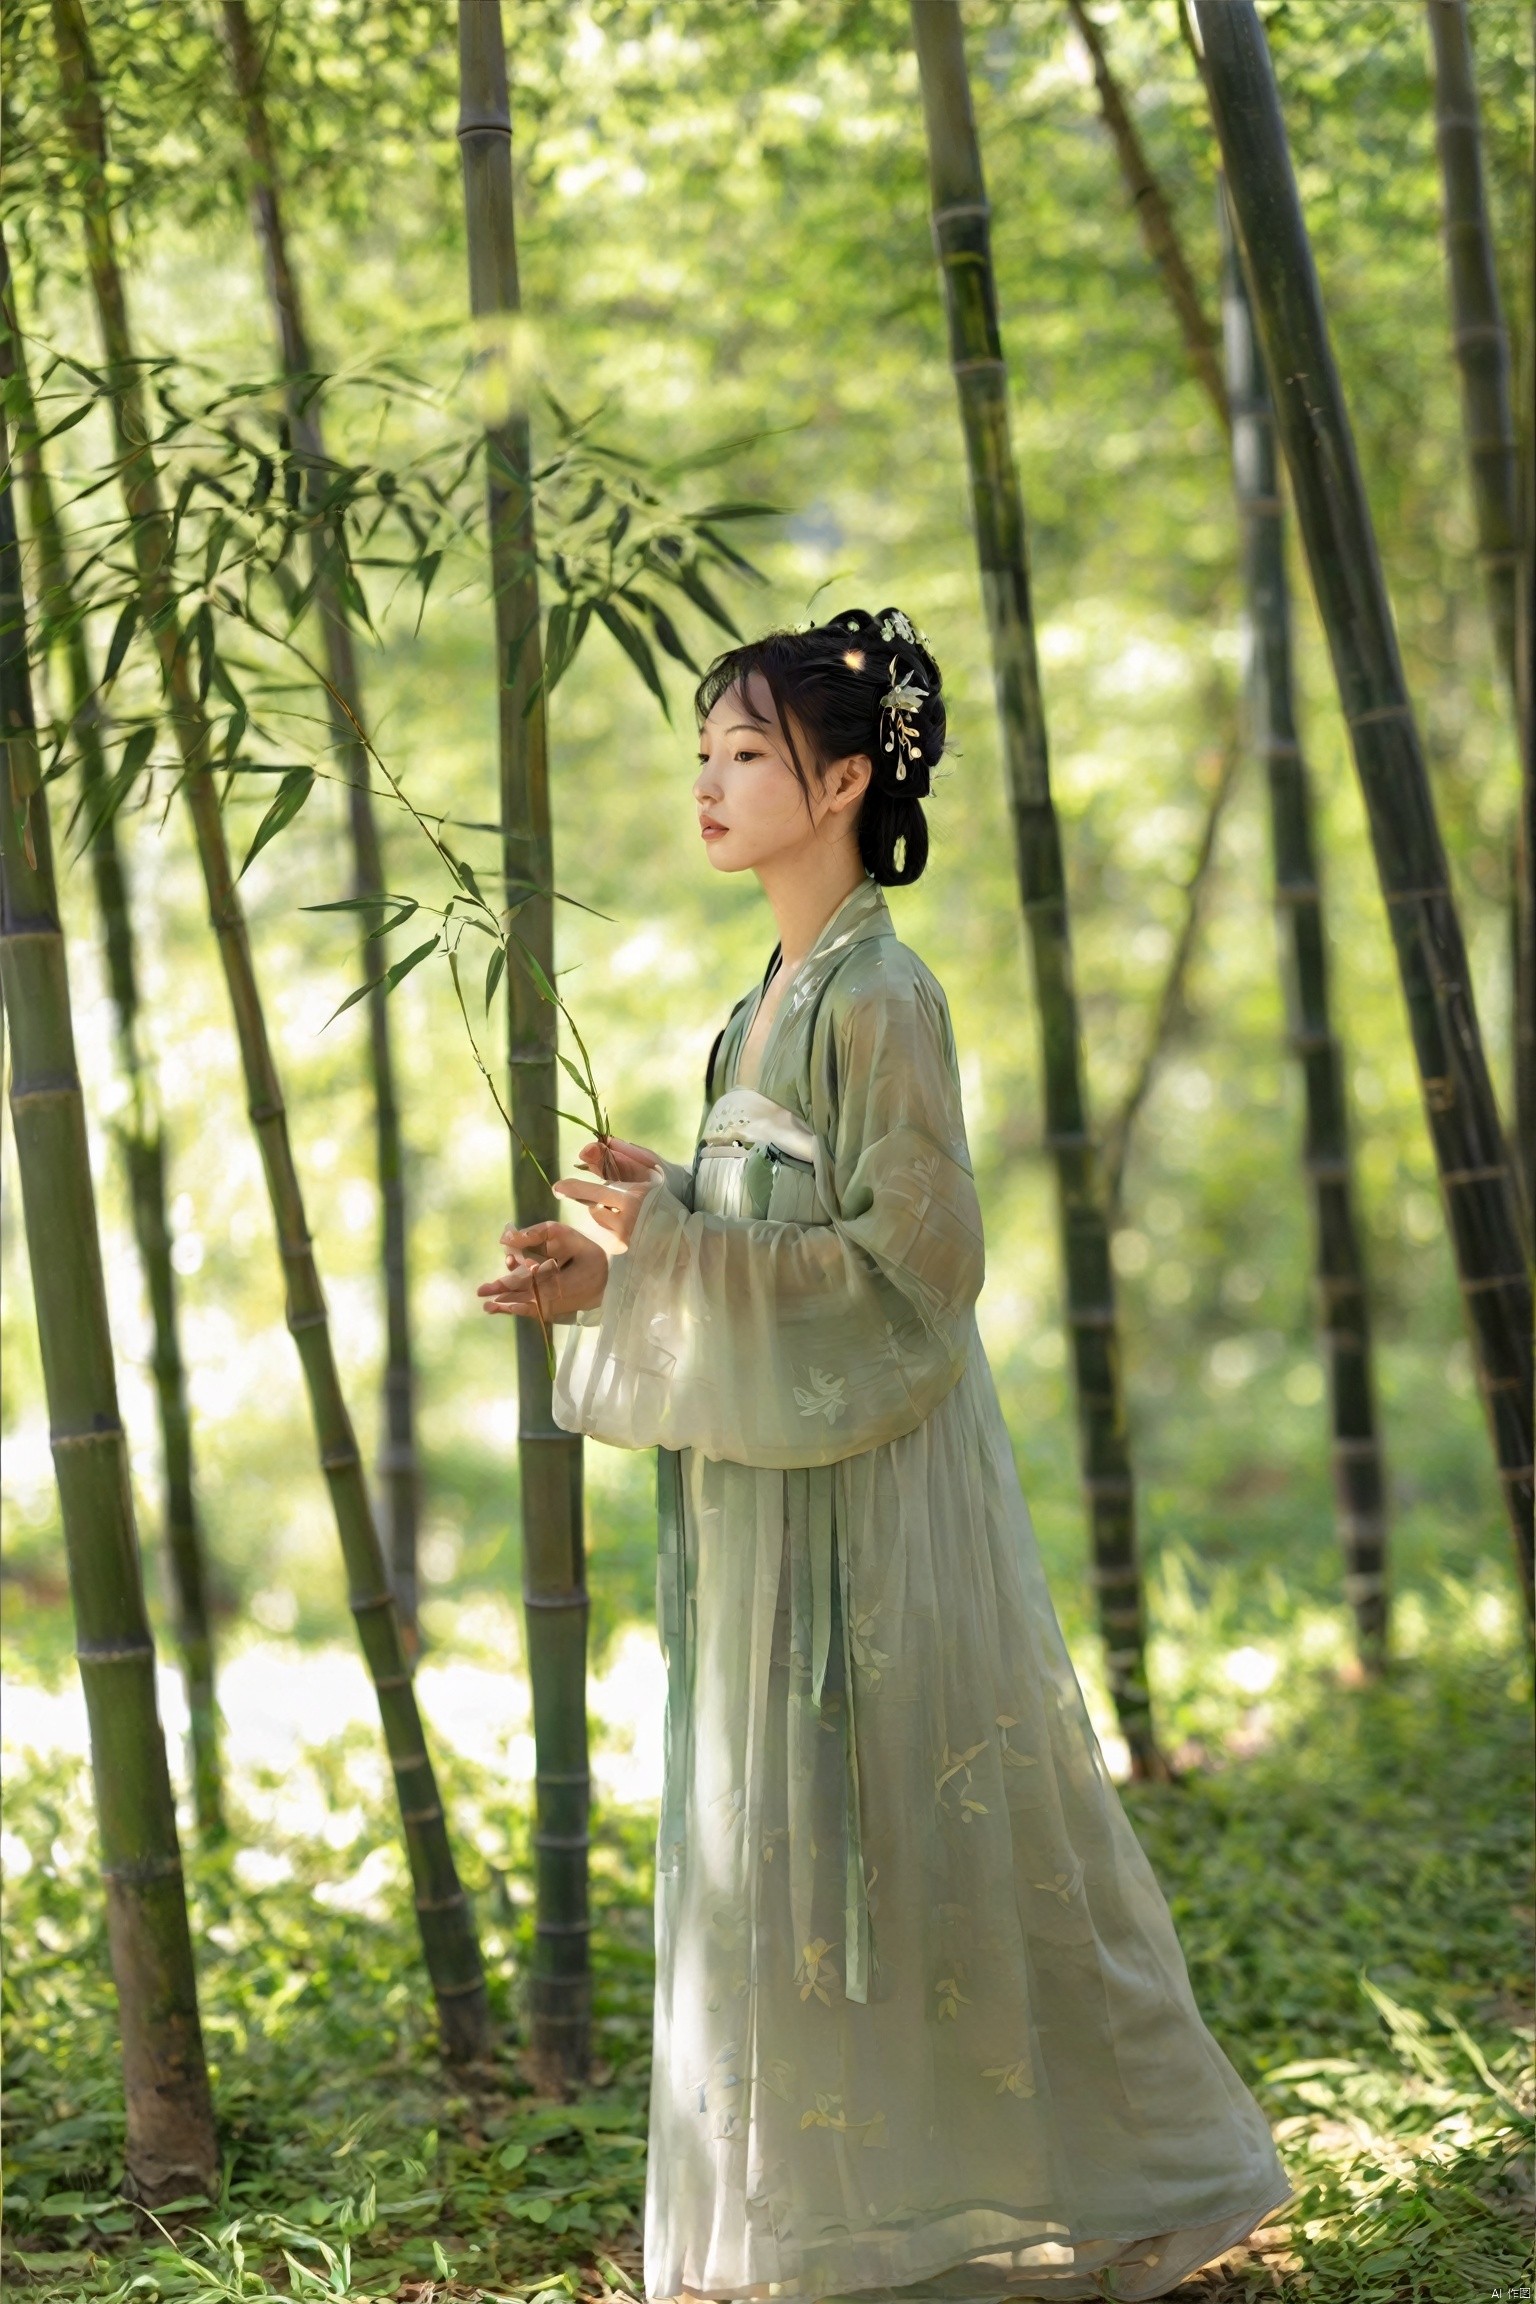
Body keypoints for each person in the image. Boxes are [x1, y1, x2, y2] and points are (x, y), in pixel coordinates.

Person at [478, 610, 1290, 2303]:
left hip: (875, 1482)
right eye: (703, 750)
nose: (709, 782)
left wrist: (682, 1252)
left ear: (846, 779)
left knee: (911, 1822)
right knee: (778, 1835)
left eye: (748, 754)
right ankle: (814, 2230)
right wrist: (625, 1267)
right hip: (771, 1488)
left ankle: (1119, 2170)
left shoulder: (884, 995)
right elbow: (757, 1246)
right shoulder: (753, 1004)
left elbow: (914, 1277)